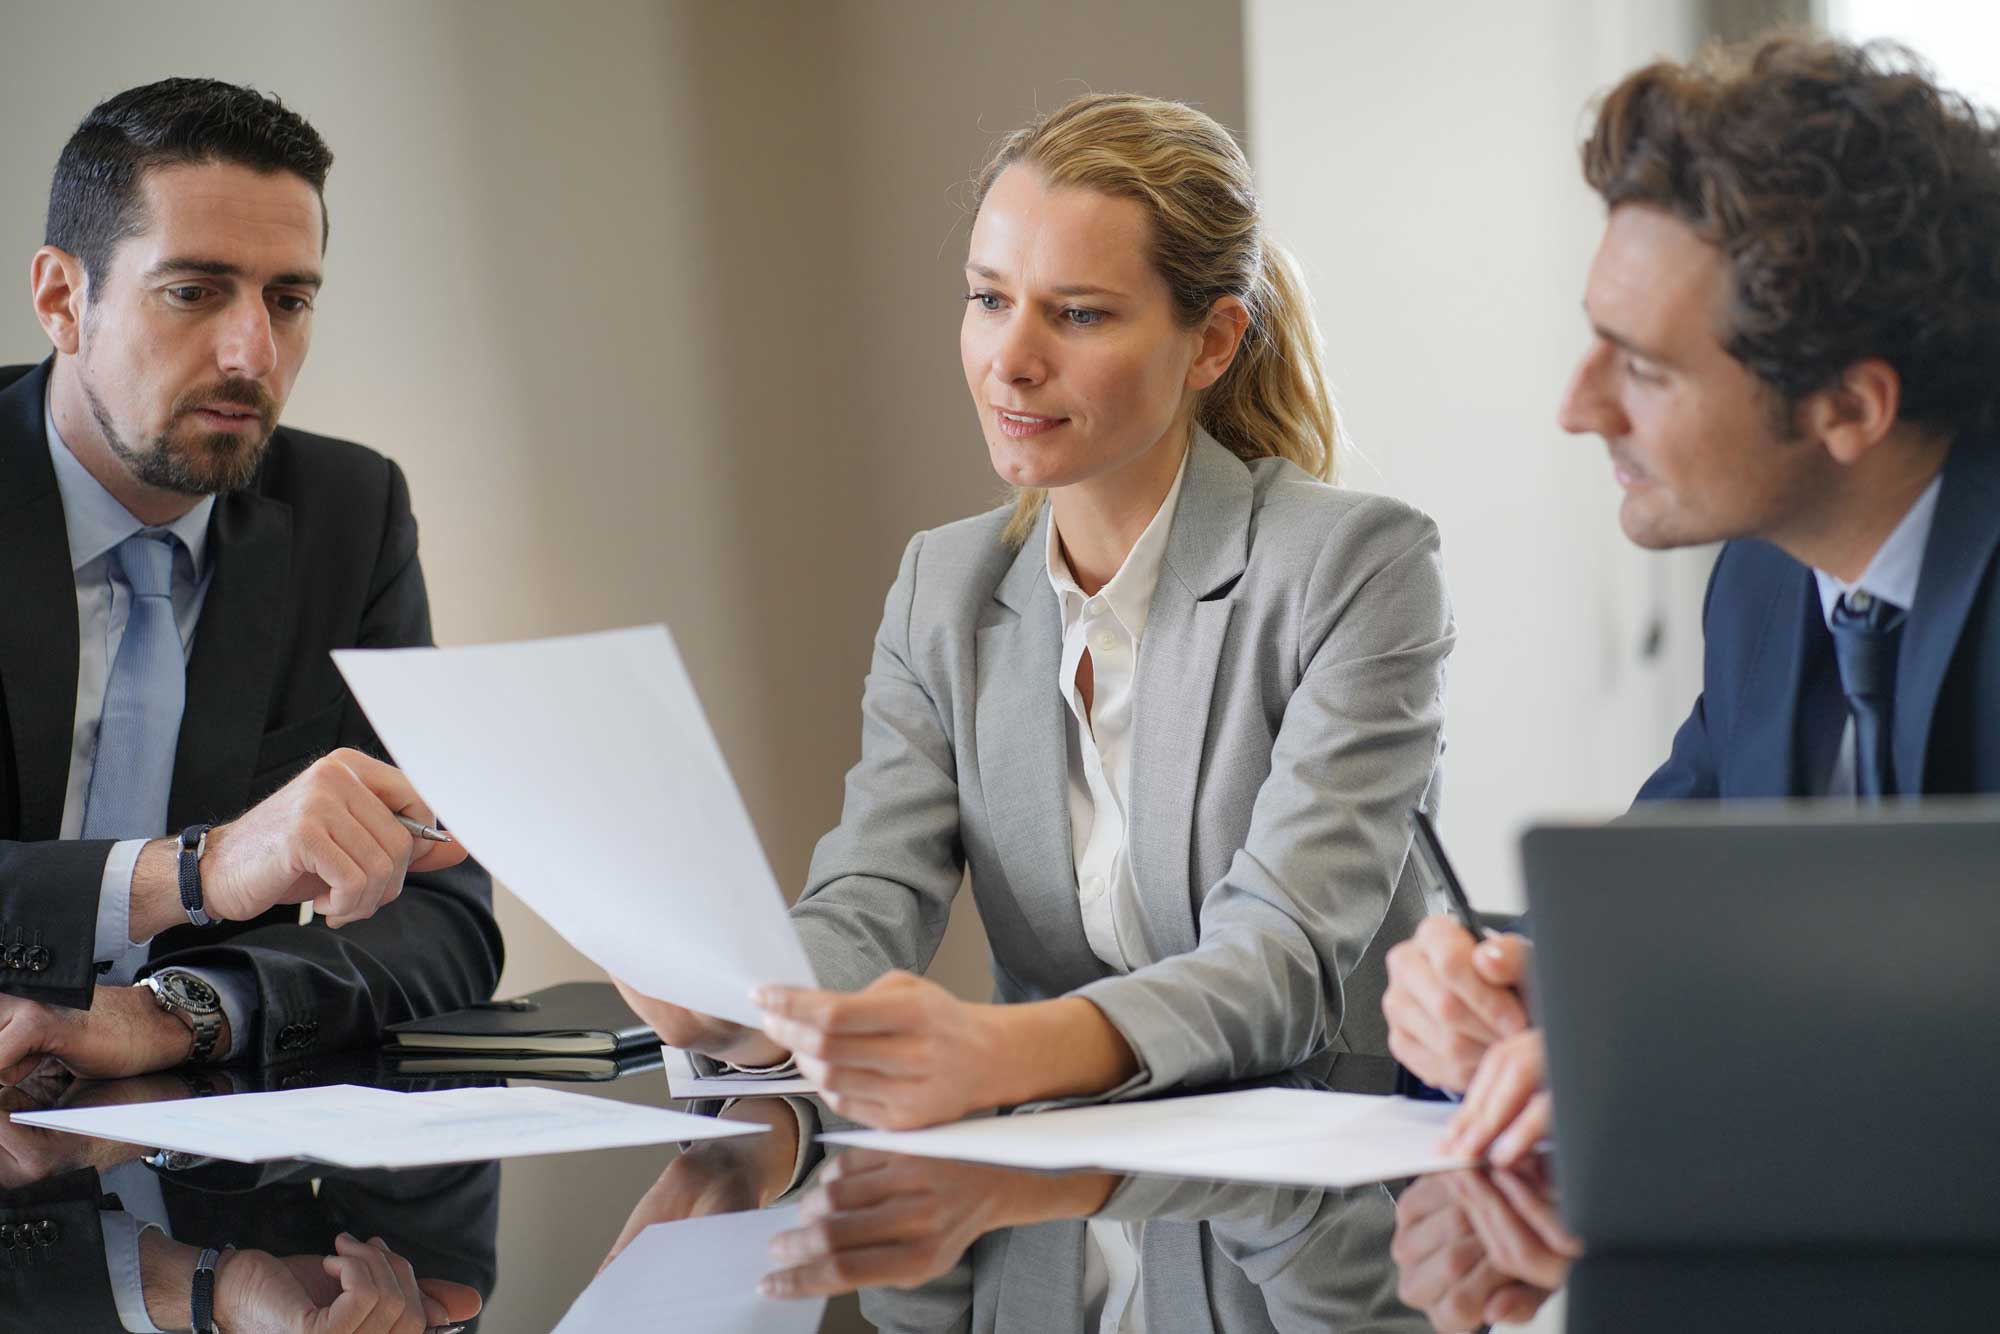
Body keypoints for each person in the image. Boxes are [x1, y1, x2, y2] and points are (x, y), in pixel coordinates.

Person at [618, 90, 1452, 1193]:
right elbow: (872, 894)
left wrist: (997, 1052)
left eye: (1077, 314)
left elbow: (1282, 958)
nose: (1007, 360)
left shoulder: (1355, 566)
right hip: (1049, 1199)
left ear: (1210, 342)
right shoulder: (943, 585)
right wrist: (751, 1011)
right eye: (986, 299)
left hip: (1311, 1201)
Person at [1383, 34, 2000, 1164]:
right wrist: (1507, 983)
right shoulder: (1765, 579)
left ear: (1849, 410)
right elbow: (1661, 915)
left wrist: (1668, 1067)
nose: (1577, 408)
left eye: (1644, 368)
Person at [0, 77, 503, 1084]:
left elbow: (447, 913)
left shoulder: (348, 512)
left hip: (202, 1165)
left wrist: (181, 1012)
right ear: (62, 297)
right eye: (193, 291)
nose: (253, 354)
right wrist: (199, 870)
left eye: (289, 299)